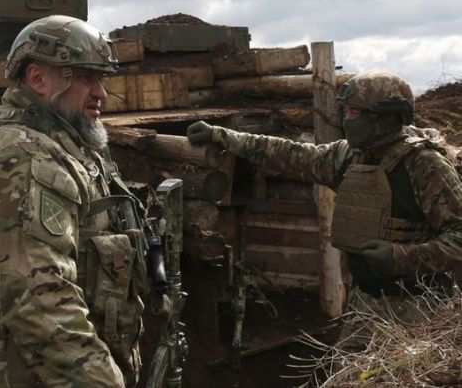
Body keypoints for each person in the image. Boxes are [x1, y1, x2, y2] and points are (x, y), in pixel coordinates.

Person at [0, 15, 147, 386]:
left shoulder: (63, 141)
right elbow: (38, 301)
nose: (101, 93)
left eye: (101, 79)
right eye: (86, 78)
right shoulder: (22, 159)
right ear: (38, 79)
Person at [188, 71, 462, 348]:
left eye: (354, 112)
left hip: (421, 309)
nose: (347, 119)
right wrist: (221, 135)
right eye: (346, 111)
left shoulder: (426, 166)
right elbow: (288, 154)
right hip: (366, 303)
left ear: (383, 117)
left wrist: (401, 256)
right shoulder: (348, 157)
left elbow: (459, 238)